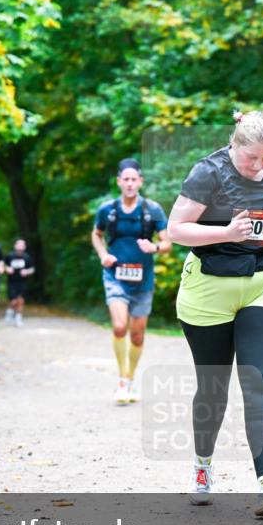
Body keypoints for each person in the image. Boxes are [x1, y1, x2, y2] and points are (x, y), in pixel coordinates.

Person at [167, 109, 263, 518]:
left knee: (260, 380)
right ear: (234, 146)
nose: (260, 167)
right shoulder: (207, 174)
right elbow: (176, 229)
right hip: (209, 289)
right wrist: (225, 233)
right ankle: (203, 468)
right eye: (252, 159)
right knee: (213, 387)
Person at [91, 158, 170, 404]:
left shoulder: (152, 210)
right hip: (115, 276)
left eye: (134, 179)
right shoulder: (107, 210)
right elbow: (96, 234)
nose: (129, 183)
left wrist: (154, 246)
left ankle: (131, 378)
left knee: (137, 336)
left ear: (140, 182)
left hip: (143, 279)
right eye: (125, 179)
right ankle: (122, 380)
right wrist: (104, 255)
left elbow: (168, 243)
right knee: (118, 326)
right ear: (119, 182)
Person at [3, 238, 35, 327]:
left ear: (24, 247)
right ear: (15, 246)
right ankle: (9, 312)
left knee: (21, 300)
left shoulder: (27, 257)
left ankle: (18, 317)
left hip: (22, 282)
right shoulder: (10, 256)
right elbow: (2, 265)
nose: (20, 247)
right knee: (13, 301)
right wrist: (7, 269)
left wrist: (27, 271)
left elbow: (32, 269)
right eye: (19, 245)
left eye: (22, 245)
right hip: (12, 282)